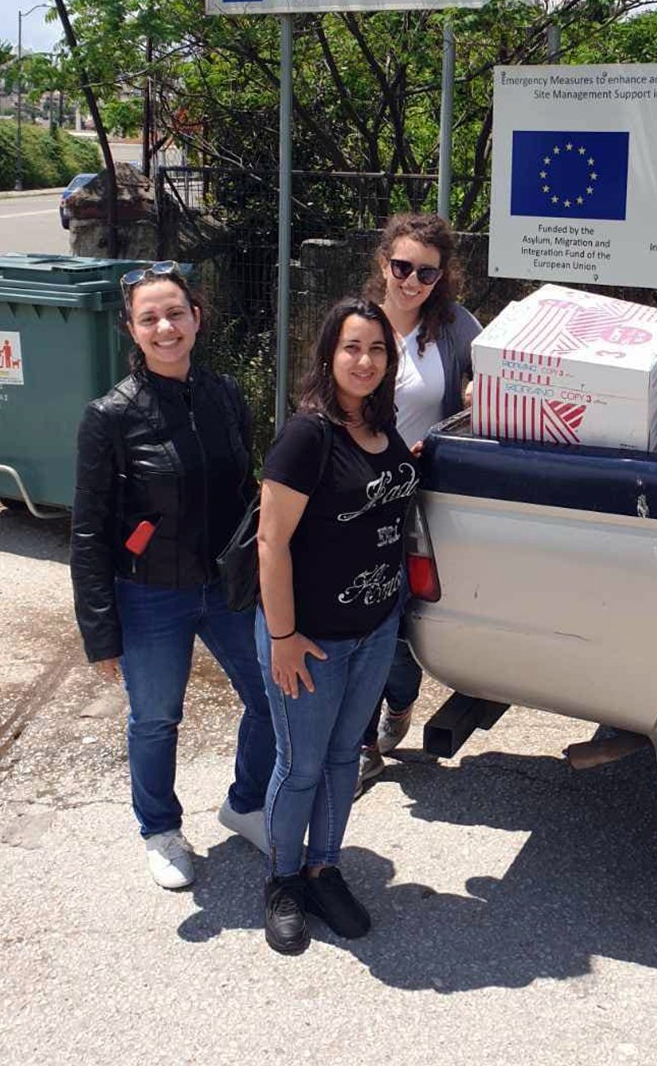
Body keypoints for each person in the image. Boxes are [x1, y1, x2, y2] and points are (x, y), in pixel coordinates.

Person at [71, 261, 274, 891]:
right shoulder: (109, 416)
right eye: (150, 318)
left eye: (175, 313)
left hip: (226, 586)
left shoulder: (226, 395)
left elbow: (244, 492)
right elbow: (88, 530)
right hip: (149, 593)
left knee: (271, 695)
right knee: (156, 718)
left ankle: (246, 805)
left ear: (197, 318)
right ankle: (159, 830)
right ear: (132, 330)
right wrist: (100, 632)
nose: (165, 328)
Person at [256, 298, 419, 955]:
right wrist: (282, 636)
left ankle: (323, 870)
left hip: (374, 629)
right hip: (311, 638)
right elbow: (271, 541)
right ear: (328, 355)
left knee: (343, 757)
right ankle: (283, 881)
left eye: (377, 349)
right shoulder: (307, 435)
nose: (365, 361)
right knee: (300, 765)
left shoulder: (383, 428)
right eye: (352, 347)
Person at [358, 212, 481, 790]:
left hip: (419, 494)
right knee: (359, 613)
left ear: (441, 277)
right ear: (384, 263)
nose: (411, 282)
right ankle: (361, 746)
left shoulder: (455, 327)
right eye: (402, 267)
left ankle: (401, 698)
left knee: (400, 617)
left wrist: (471, 399)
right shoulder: (359, 322)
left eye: (426, 273)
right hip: (355, 490)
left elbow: (489, 386)